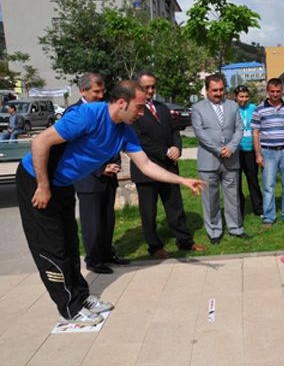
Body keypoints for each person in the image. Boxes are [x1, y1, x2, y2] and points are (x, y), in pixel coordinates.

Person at [16, 80, 205, 326]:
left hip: (61, 184)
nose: (141, 112)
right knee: (52, 246)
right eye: (139, 107)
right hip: (36, 178)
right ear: (121, 103)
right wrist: (42, 186)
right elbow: (40, 142)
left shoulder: (125, 132)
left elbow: (146, 166)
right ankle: (68, 307)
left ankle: (80, 297)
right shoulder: (87, 115)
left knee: (71, 244)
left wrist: (182, 180)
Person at [131, 70, 206, 259]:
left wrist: (176, 147)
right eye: (145, 87)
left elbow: (174, 131)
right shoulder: (134, 111)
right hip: (146, 169)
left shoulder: (162, 108)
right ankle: (154, 246)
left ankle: (185, 241)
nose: (150, 91)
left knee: (175, 207)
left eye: (152, 87)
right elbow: (140, 140)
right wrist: (163, 151)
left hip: (169, 167)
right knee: (149, 212)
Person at [69, 73, 129, 274]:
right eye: (96, 91)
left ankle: (106, 253)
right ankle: (93, 260)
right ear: (83, 91)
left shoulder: (105, 112)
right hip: (88, 179)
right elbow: (76, 150)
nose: (100, 95)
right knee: (92, 222)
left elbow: (115, 139)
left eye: (102, 91)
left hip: (109, 176)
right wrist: (99, 168)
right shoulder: (75, 112)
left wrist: (115, 163)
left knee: (107, 219)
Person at [192, 75, 248, 244]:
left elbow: (239, 129)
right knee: (210, 198)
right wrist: (218, 149)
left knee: (233, 196)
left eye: (221, 89)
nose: (218, 93)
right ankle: (214, 231)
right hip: (209, 160)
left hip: (231, 159)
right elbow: (200, 133)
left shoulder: (233, 106)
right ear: (207, 90)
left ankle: (235, 228)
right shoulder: (197, 108)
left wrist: (231, 147)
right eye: (214, 90)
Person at [251, 78, 284, 228]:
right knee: (268, 185)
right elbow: (256, 133)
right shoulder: (259, 110)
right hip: (268, 152)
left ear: (282, 91)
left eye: (278, 91)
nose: (275, 94)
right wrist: (258, 154)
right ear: (268, 91)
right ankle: (268, 217)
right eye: (272, 91)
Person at [235, 85, 263, 217]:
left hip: (251, 149)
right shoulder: (232, 109)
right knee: (237, 182)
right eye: (241, 96)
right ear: (236, 97)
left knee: (253, 180)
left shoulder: (254, 108)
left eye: (246, 96)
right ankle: (239, 210)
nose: (244, 99)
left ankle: (259, 209)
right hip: (236, 150)